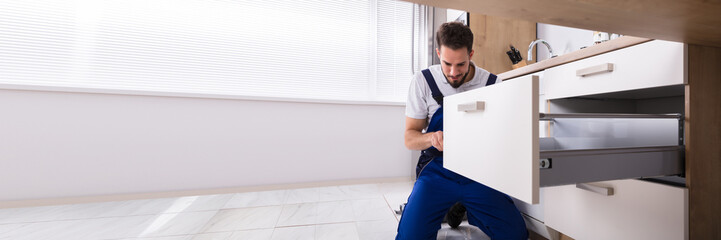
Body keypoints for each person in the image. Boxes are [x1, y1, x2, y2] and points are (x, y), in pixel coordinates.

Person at [396, 21, 528, 240]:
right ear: (438, 53)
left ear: (471, 54)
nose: (453, 72)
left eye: (461, 64)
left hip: (479, 172)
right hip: (438, 171)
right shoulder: (423, 81)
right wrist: (431, 137)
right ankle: (455, 205)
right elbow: (410, 138)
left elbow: (505, 135)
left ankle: (470, 208)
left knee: (516, 235)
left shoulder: (493, 84)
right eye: (447, 64)